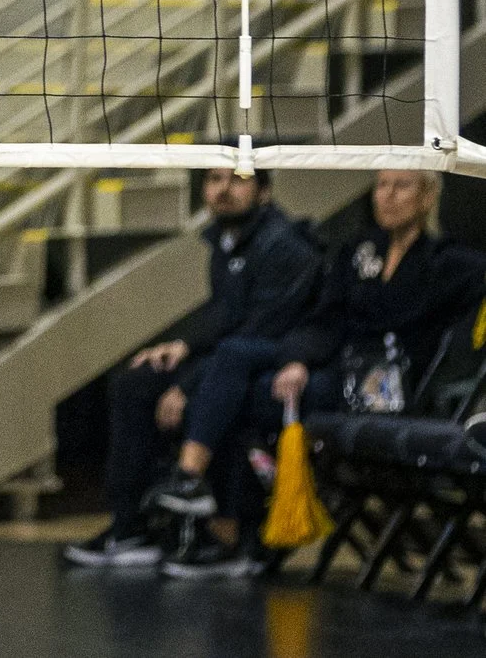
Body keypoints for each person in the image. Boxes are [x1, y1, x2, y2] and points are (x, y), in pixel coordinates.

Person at [145, 169, 486, 578]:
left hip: (390, 387)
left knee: (246, 399)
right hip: (339, 368)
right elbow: (325, 319)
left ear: (427, 197)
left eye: (402, 186)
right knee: (238, 366)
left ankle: (228, 531)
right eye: (381, 185)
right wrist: (297, 362)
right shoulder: (357, 251)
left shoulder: (452, 263)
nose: (388, 196)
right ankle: (194, 487)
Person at [61, 165, 320, 571]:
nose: (223, 190)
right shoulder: (227, 240)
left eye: (236, 180)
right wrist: (183, 347)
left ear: (264, 192)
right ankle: (130, 527)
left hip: (276, 360)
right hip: (235, 354)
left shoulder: (283, 247)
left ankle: (215, 524)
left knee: (215, 387)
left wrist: (188, 384)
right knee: (137, 381)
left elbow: (257, 332)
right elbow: (226, 317)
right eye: (214, 180)